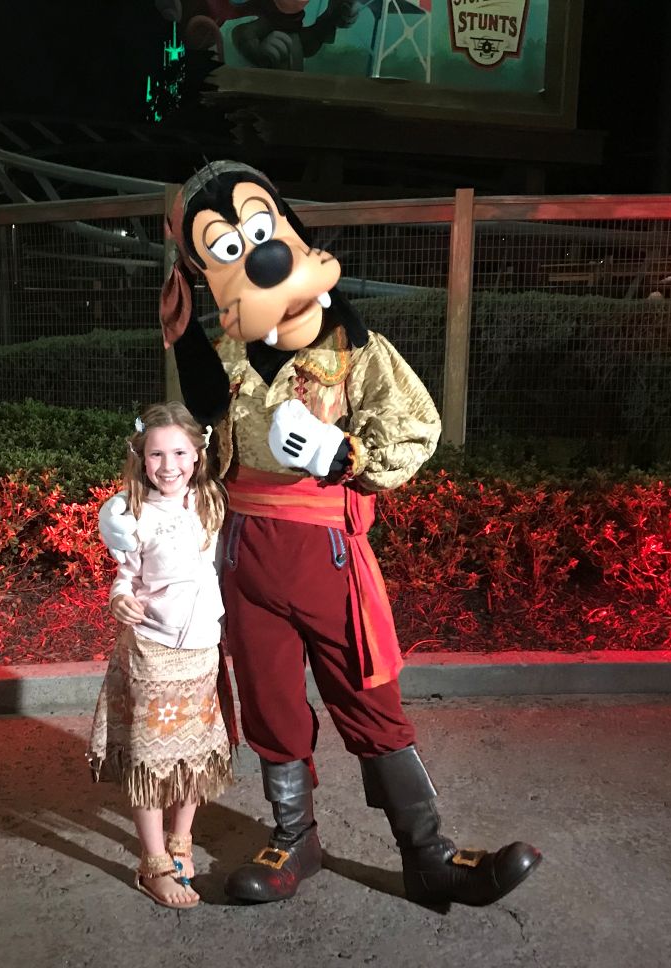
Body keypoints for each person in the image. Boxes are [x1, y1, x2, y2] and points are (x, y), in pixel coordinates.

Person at [101, 161, 541, 909]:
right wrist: (183, 340)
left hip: (325, 551)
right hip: (245, 554)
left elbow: (416, 425)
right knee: (271, 700)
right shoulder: (236, 350)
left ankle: (427, 852)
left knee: (367, 696)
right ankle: (292, 835)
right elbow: (208, 410)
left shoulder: (352, 346)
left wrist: (348, 455)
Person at [88, 402, 235, 909]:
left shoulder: (211, 501)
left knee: (191, 753)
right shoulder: (132, 513)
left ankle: (180, 840)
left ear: (197, 455)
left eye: (178, 452)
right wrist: (118, 597)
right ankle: (153, 862)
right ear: (140, 456)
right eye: (156, 454)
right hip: (152, 651)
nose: (167, 465)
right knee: (151, 758)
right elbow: (126, 575)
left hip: (201, 651)